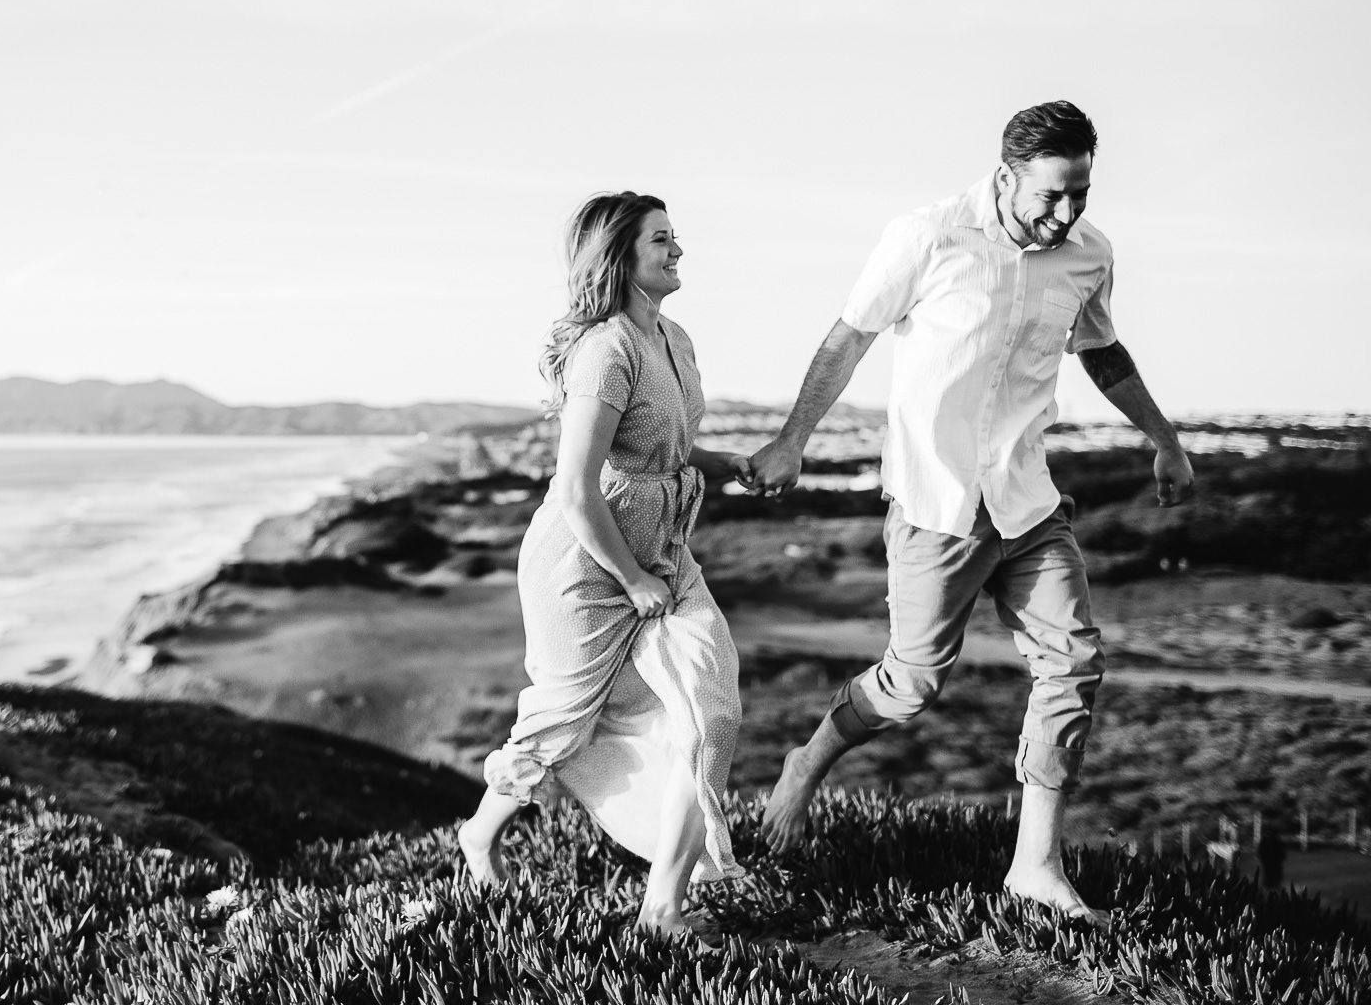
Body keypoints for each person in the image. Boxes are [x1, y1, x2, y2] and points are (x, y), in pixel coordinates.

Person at [742, 101, 1194, 925]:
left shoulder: (1089, 255)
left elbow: (1102, 350)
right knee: (912, 684)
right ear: (1005, 177)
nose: (1066, 214)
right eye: (1051, 196)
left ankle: (1036, 865)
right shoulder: (927, 235)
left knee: (1074, 663)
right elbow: (848, 338)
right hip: (935, 501)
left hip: (1027, 498)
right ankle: (807, 762)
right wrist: (790, 440)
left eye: (1081, 195)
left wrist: (1164, 439)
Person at [458, 191, 751, 938]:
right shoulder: (605, 350)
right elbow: (579, 492)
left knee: (709, 713)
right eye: (661, 240)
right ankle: (479, 835)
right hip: (583, 568)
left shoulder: (676, 339)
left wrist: (734, 464)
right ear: (619, 258)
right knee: (562, 722)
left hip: (665, 549)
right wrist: (631, 580)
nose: (678, 249)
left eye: (675, 235)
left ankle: (664, 906)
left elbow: (669, 452)